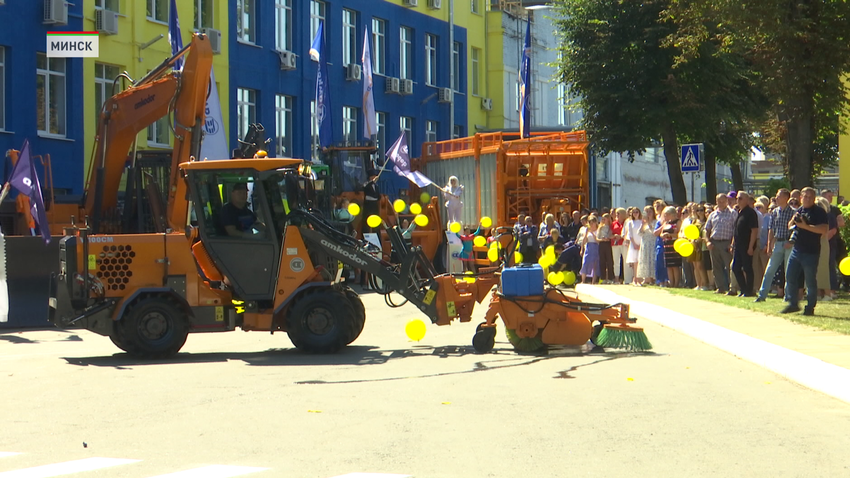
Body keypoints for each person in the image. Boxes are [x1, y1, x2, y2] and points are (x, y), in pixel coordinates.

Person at [782, 187, 828, 315]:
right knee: (790, 276)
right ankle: (793, 304)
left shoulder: (819, 212)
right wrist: (794, 221)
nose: (807, 199)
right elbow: (790, 226)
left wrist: (805, 226)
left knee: (810, 281)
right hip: (797, 250)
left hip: (811, 251)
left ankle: (810, 308)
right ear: (800, 198)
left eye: (809, 197)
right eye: (805, 196)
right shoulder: (799, 210)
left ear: (814, 198)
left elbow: (823, 230)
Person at [755, 189, 795, 302]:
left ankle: (788, 296)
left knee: (788, 271)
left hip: (789, 244)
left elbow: (795, 230)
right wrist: (769, 245)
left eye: (779, 196)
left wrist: (791, 242)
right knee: (770, 270)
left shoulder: (793, 212)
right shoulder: (775, 212)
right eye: (776, 196)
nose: (776, 198)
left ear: (786, 198)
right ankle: (762, 295)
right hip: (777, 243)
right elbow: (771, 230)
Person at [705, 193, 737, 294]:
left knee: (729, 266)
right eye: (719, 201)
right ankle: (720, 287)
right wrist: (707, 241)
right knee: (716, 267)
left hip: (726, 242)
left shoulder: (733, 213)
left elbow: (736, 230)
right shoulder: (713, 214)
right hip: (714, 242)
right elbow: (707, 229)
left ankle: (732, 287)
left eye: (723, 201)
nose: (721, 203)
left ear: (727, 201)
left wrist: (731, 243)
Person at [731, 191, 759, 297]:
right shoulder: (739, 212)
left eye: (741, 198)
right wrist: (733, 244)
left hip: (747, 245)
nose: (738, 200)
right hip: (738, 246)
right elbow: (736, 230)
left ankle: (749, 290)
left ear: (747, 200)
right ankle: (743, 289)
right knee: (735, 268)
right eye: (737, 198)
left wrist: (751, 246)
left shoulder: (750, 213)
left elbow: (754, 230)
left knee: (747, 268)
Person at [815, 196, 836, 301]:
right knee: (817, 269)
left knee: (823, 268)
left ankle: (827, 294)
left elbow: (829, 231)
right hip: (816, 243)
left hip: (823, 243)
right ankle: (818, 293)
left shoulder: (828, 216)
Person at [660, 206, 682, 288]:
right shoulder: (666, 223)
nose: (665, 216)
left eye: (666, 214)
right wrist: (663, 235)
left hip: (674, 245)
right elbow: (661, 234)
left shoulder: (678, 222)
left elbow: (680, 234)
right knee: (669, 265)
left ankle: (676, 283)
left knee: (675, 265)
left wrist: (670, 235)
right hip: (667, 246)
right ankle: (671, 283)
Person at [636, 206, 657, 286]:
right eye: (646, 212)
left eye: (650, 211)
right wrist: (643, 224)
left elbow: (653, 232)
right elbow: (639, 233)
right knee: (645, 260)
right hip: (645, 243)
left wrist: (649, 223)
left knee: (652, 260)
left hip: (652, 243)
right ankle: (646, 278)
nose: (648, 213)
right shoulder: (644, 222)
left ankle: (652, 278)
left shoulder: (655, 222)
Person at [580, 215, 600, 284]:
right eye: (590, 223)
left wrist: (592, 233)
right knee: (585, 263)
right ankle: (583, 280)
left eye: (593, 222)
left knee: (595, 264)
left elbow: (597, 241)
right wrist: (582, 249)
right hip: (588, 247)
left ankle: (593, 281)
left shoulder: (598, 230)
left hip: (595, 247)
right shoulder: (587, 230)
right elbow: (584, 240)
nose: (591, 224)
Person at [625, 207, 643, 285]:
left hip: (641, 243)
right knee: (635, 262)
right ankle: (635, 279)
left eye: (637, 212)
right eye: (634, 212)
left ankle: (639, 279)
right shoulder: (630, 222)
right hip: (633, 243)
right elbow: (630, 234)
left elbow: (643, 233)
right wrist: (634, 244)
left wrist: (640, 244)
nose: (635, 214)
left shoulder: (642, 222)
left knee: (640, 261)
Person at [652, 199, 668, 285]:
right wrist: (662, 226)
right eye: (655, 206)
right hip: (659, 242)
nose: (657, 208)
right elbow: (655, 233)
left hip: (666, 242)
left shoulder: (667, 218)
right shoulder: (658, 219)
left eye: (659, 206)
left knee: (666, 262)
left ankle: (667, 280)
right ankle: (660, 280)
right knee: (659, 261)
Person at [597, 213, 615, 284]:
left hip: (609, 244)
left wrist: (609, 238)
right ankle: (603, 278)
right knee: (602, 261)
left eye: (605, 218)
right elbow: (597, 237)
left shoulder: (611, 226)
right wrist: (602, 239)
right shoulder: (600, 227)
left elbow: (612, 235)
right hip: (602, 244)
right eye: (603, 218)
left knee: (609, 261)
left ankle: (611, 278)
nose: (604, 219)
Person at [612, 208, 627, 284]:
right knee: (616, 261)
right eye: (616, 213)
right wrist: (614, 235)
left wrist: (621, 236)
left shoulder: (626, 223)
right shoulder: (614, 223)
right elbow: (610, 233)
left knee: (625, 261)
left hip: (624, 243)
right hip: (615, 244)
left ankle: (627, 279)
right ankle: (616, 278)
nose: (617, 215)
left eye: (619, 213)